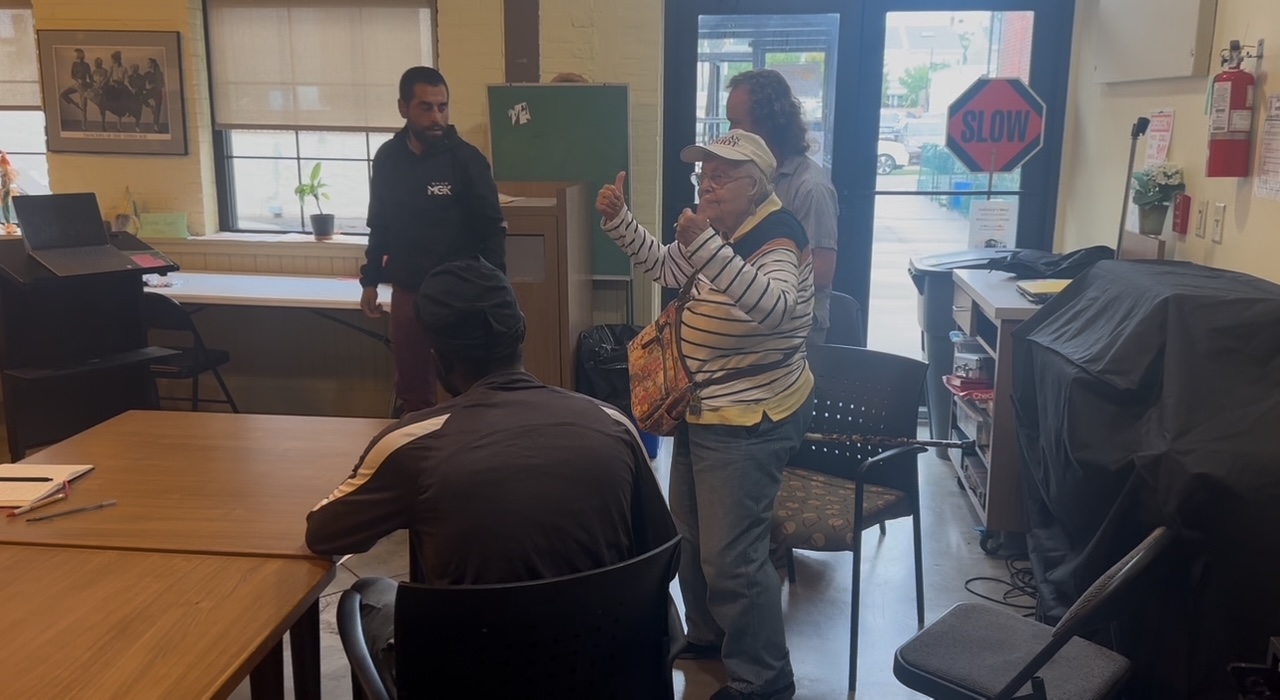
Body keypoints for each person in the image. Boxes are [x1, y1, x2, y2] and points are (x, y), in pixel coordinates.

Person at [309, 257, 677, 694]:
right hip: (605, 673)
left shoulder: (411, 445)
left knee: (368, 594)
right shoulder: (613, 425)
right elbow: (662, 552)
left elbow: (324, 534)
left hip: (470, 677)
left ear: (438, 359)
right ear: (521, 333)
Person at [596, 130, 814, 700]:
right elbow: (667, 269)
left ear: (755, 185)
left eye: (721, 176)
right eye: (704, 175)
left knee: (732, 557)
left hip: (749, 417)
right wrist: (622, 223)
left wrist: (707, 245)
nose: (707, 186)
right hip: (705, 405)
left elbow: (777, 308)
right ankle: (710, 634)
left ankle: (764, 678)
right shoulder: (721, 228)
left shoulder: (777, 235)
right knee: (692, 537)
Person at [358, 66, 507, 416]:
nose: (436, 117)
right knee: (412, 392)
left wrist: (495, 291)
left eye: (443, 107)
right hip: (408, 290)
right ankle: (418, 445)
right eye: (425, 107)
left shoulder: (467, 160)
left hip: (459, 293)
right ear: (403, 108)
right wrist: (370, 280)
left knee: (467, 387)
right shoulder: (388, 159)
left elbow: (491, 231)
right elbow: (379, 224)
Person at [727, 69, 839, 346]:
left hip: (795, 330)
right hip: (755, 313)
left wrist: (741, 277)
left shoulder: (810, 187)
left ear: (767, 125)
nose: (730, 134)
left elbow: (822, 271)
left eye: (736, 123)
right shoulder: (753, 177)